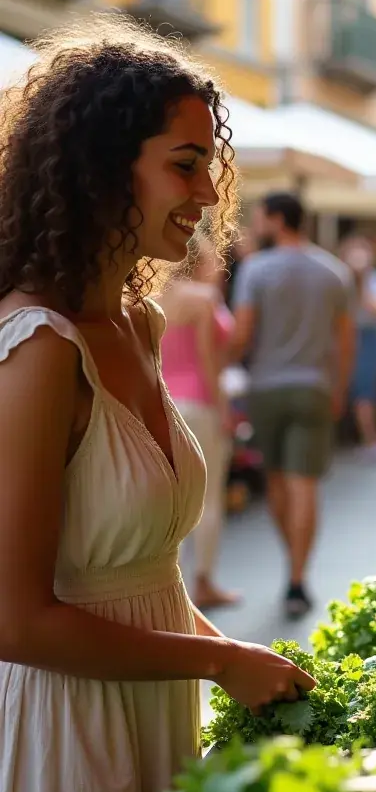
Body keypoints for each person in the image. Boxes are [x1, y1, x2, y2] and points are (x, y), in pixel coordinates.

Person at [0, 19, 316, 792]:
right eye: (184, 164)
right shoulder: (36, 350)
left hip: (154, 706)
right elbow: (16, 620)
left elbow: (149, 580)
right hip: (69, 731)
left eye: (207, 163)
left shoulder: (136, 324)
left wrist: (242, 653)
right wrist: (219, 663)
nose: (209, 191)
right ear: (104, 168)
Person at [231, 193, 355, 618]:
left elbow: (242, 334)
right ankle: (298, 576)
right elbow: (345, 340)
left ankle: (294, 565)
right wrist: (339, 388)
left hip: (266, 387)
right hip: (316, 387)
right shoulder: (333, 271)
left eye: (261, 216)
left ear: (278, 219)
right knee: (305, 484)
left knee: (279, 483)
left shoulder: (254, 269)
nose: (256, 223)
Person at [158, 232, 239, 609]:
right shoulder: (204, 299)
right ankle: (203, 581)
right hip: (200, 403)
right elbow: (209, 362)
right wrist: (225, 411)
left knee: (168, 498)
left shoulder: (148, 298)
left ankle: (165, 582)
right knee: (209, 498)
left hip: (161, 401)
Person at [341, 234, 376, 459]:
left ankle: (371, 439)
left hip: (368, 337)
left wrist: (361, 284)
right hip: (346, 336)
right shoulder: (340, 279)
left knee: (366, 389)